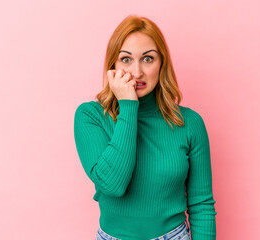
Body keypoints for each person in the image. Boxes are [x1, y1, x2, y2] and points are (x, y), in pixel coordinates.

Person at [74, 15, 217, 240]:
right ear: (113, 64)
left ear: (162, 65)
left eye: (148, 59)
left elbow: (202, 205)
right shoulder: (90, 116)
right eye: (126, 59)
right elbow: (113, 185)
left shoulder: (189, 123)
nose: (137, 72)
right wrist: (129, 105)